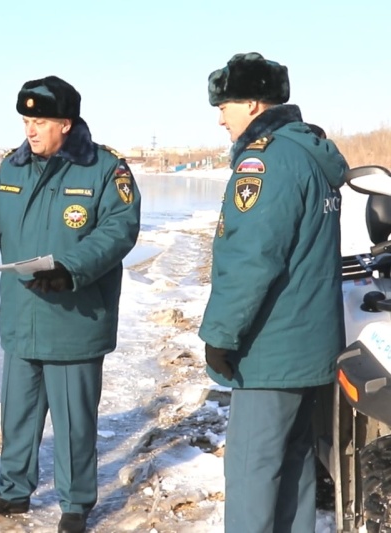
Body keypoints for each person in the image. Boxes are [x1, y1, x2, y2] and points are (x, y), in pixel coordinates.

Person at [0, 75, 141, 533]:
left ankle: (75, 505)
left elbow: (118, 231)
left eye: (40, 121)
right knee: (18, 414)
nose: (30, 130)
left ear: (66, 124)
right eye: (27, 120)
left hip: (74, 318)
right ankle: (13, 492)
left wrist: (69, 268)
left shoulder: (105, 170)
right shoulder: (13, 166)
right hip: (21, 315)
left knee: (73, 423)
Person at [199, 53, 347, 532]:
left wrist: (220, 335)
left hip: (272, 346)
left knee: (252, 469)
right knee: (294, 463)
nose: (220, 115)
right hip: (308, 345)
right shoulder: (307, 152)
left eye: (226, 104)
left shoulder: (266, 161)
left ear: (254, 102)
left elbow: (252, 258)